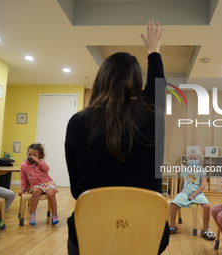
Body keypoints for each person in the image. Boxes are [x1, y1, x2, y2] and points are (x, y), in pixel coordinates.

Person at [65, 21, 169, 254]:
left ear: (101, 80)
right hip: (147, 232)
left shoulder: (77, 122)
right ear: (136, 83)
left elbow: (75, 191)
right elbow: (157, 85)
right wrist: (154, 50)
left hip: (90, 232)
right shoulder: (153, 115)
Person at [169, 149, 216, 240]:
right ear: (187, 160)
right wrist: (180, 194)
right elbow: (181, 183)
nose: (193, 160)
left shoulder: (201, 171)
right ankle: (172, 227)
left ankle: (205, 230)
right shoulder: (184, 170)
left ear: (200, 160)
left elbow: (203, 185)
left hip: (198, 193)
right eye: (191, 158)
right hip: (185, 193)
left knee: (207, 206)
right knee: (173, 205)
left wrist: (194, 195)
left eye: (195, 158)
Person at [18, 143, 59, 225]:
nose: (31, 156)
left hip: (47, 183)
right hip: (36, 185)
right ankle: (32, 215)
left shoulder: (41, 163)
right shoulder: (23, 165)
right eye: (30, 154)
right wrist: (23, 189)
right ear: (27, 153)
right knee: (35, 192)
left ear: (39, 156)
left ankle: (54, 215)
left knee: (51, 194)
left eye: (34, 155)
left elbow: (46, 169)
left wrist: (38, 161)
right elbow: (23, 179)